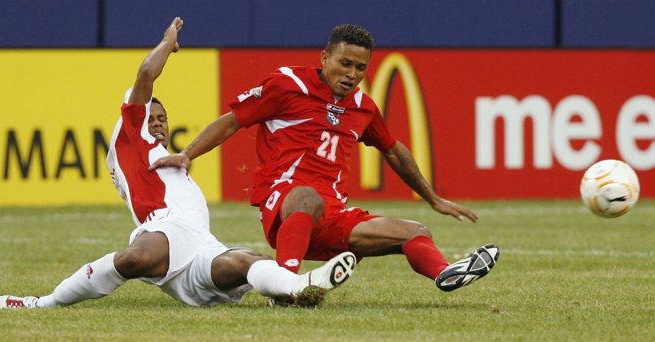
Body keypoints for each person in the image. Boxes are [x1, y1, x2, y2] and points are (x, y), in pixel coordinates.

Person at [0, 17, 357, 310]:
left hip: (197, 247)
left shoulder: (169, 162)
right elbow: (146, 76)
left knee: (244, 262)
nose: (159, 121)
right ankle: (42, 302)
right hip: (164, 231)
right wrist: (167, 44)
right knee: (138, 256)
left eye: (164, 117)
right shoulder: (130, 135)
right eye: (153, 114)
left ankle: (300, 287)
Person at [150, 23, 499, 293]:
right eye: (345, 63)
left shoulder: (363, 107)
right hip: (284, 203)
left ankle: (444, 274)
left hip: (332, 213)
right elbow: (232, 122)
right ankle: (285, 283)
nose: (351, 74)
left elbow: (393, 150)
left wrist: (433, 198)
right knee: (307, 196)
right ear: (324, 58)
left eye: (360, 68)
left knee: (414, 232)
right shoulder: (288, 85)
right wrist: (187, 154)